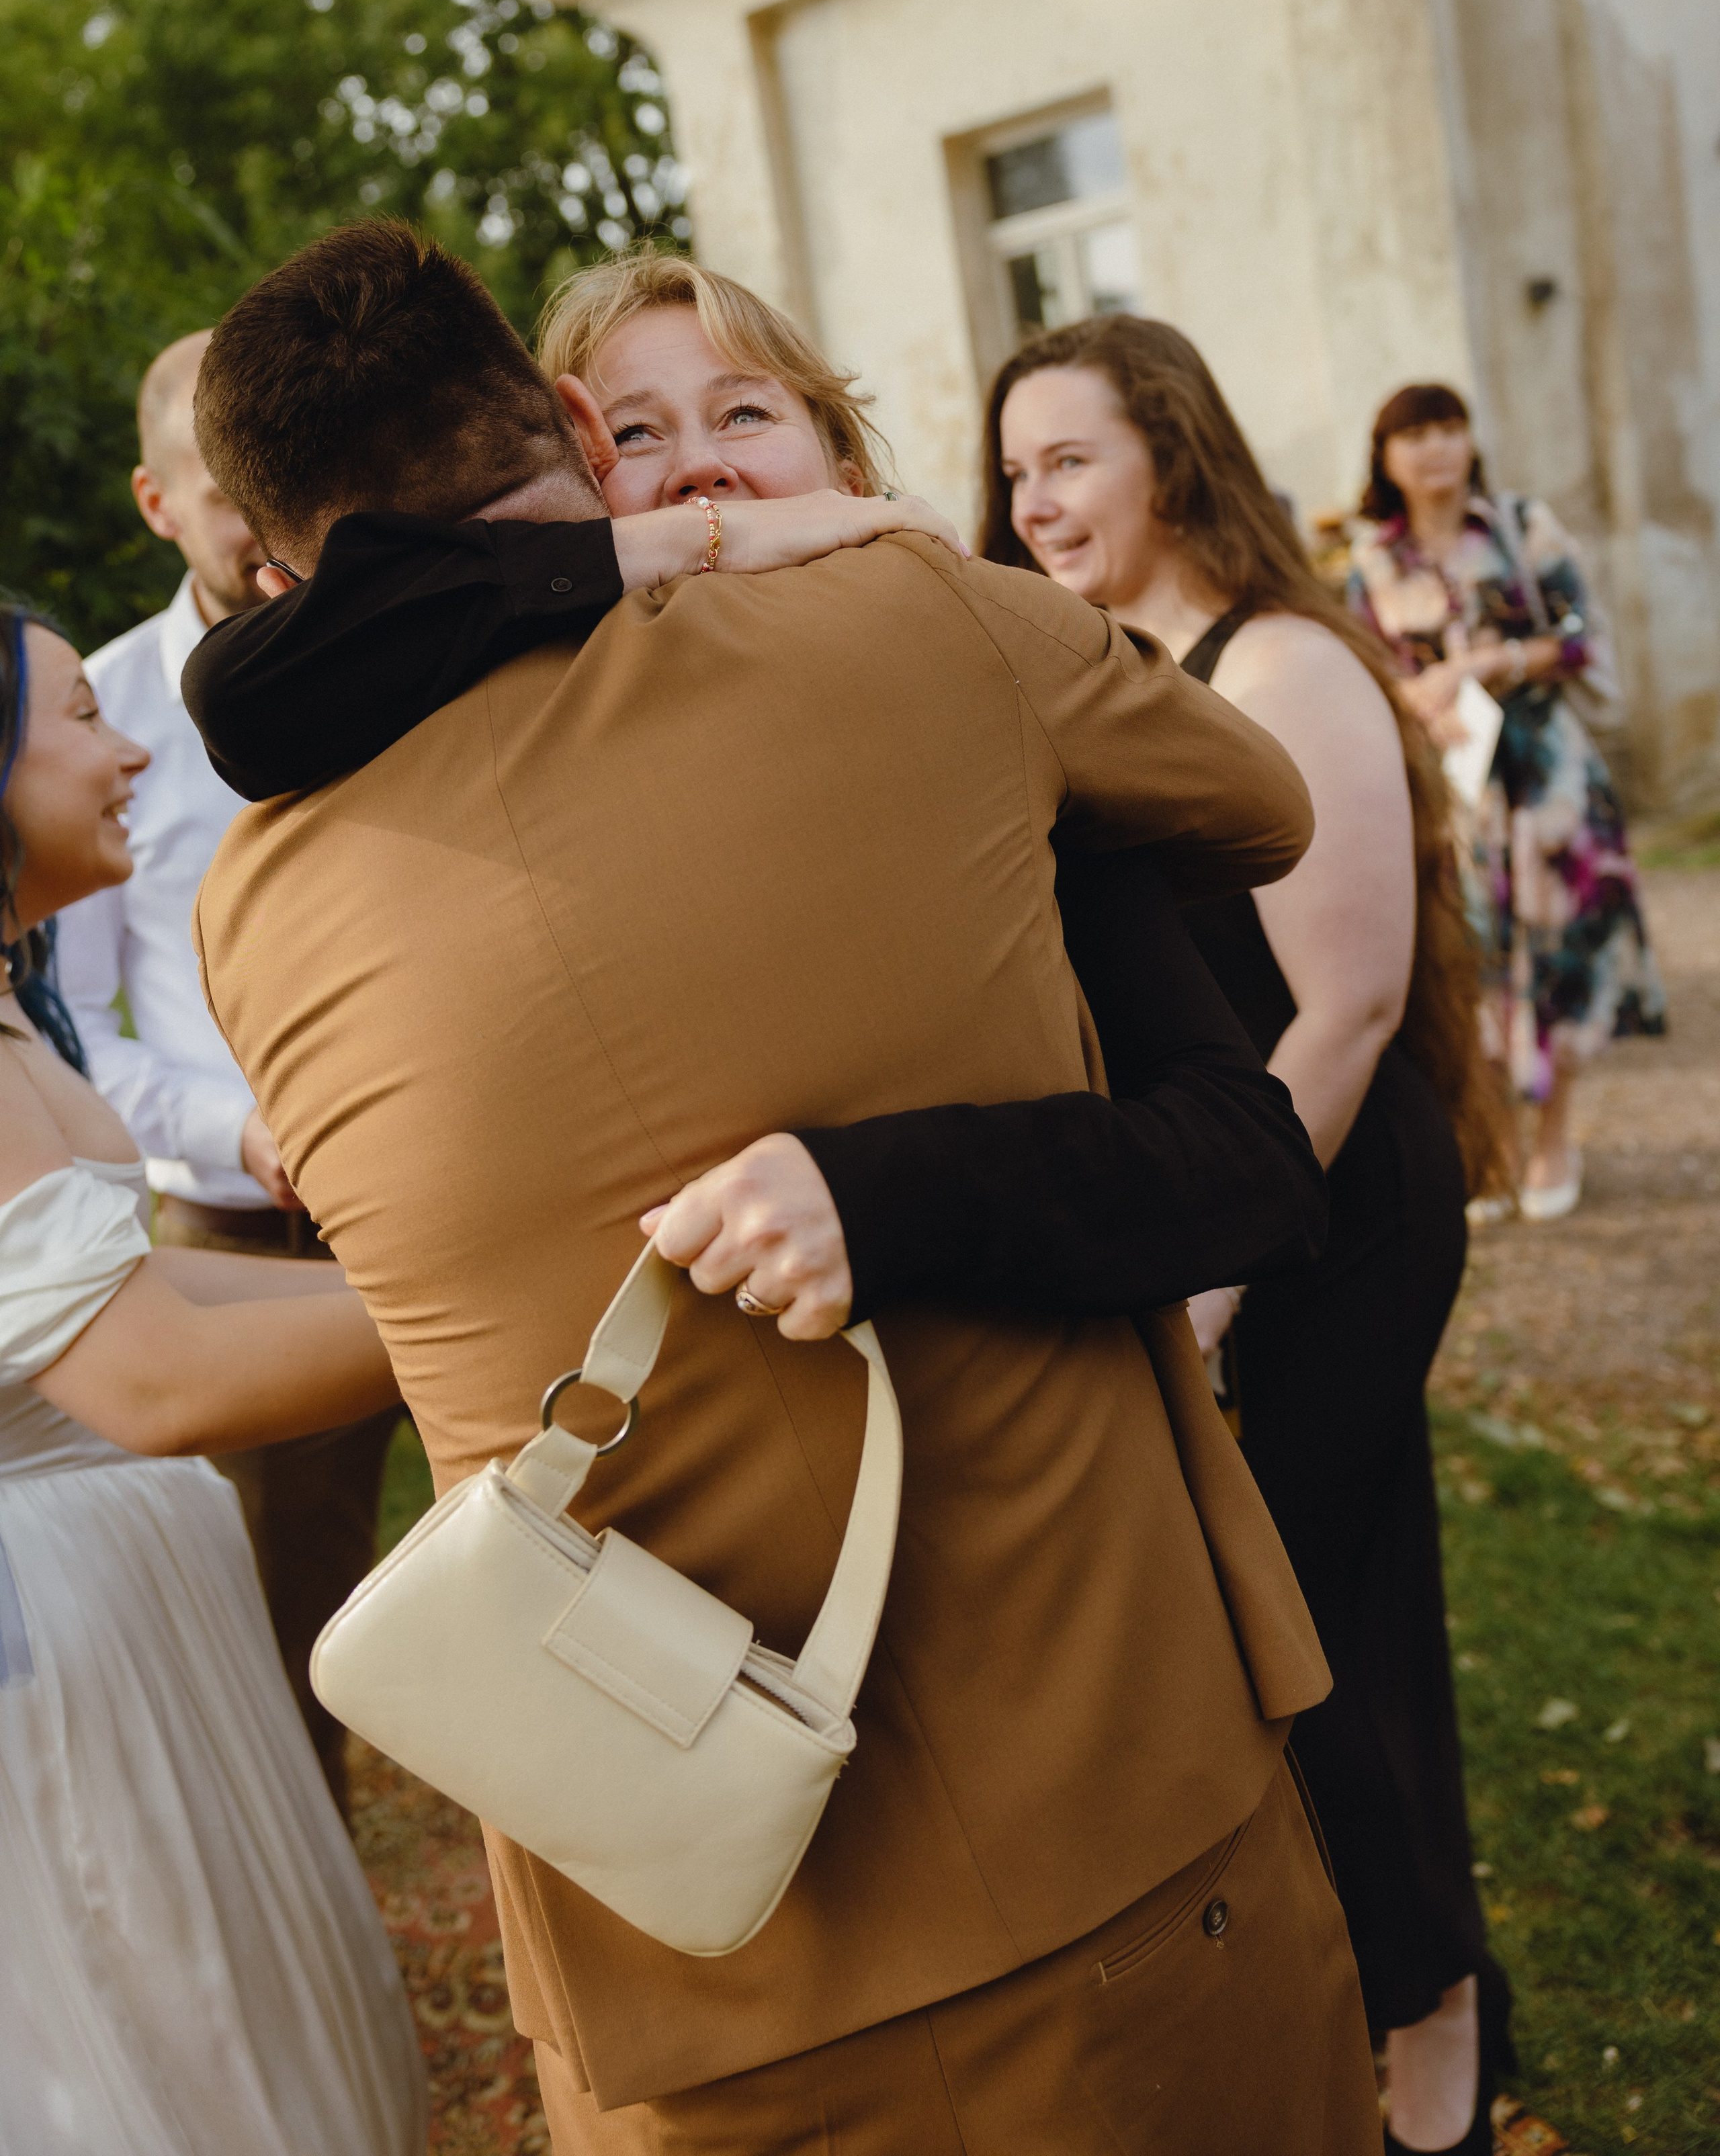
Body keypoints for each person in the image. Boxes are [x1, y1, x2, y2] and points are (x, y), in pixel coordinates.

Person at [189, 224, 1378, 2155]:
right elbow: (1260, 802)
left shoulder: (248, 917)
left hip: (680, 1941)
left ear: (272, 559)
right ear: (579, 430)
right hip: (1107, 1833)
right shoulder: (920, 625)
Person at [980, 314, 1511, 2156]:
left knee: (1295, 1616)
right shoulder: (1103, 668)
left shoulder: (1280, 663)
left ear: (1172, 453)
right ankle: (1415, 1989)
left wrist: (1200, 1288)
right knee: (1324, 1604)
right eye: (1016, 469)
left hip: (1334, 1211)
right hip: (1222, 1209)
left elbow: (1345, 1012)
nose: (1033, 501)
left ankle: (1429, 2016)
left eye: (1069, 459)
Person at [0, 602, 426, 2156]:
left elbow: (133, 1280)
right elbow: (153, 1378)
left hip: (121, 1606)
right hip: (46, 1646)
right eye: (80, 718)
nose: (130, 751)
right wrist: (484, 1313)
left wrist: (411, 1282)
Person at [53, 331, 397, 1813]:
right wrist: (235, 1131)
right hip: (241, 1235)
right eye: (218, 488)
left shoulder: (395, 653)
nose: (258, 515)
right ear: (155, 502)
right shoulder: (94, 720)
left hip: (438, 1172)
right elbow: (76, 1029)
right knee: (287, 1632)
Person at [1344, 382, 1665, 1221]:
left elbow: (1579, 636)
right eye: (1414, 435)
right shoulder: (1372, 561)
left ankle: (1555, 1136)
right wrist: (1419, 701)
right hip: (1451, 786)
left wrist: (1487, 664)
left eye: (1448, 429)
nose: (1435, 448)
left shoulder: (1521, 526)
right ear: (1385, 458)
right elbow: (1360, 667)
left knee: (1557, 953)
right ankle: (1495, 1139)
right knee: (1467, 959)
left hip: (1546, 772)